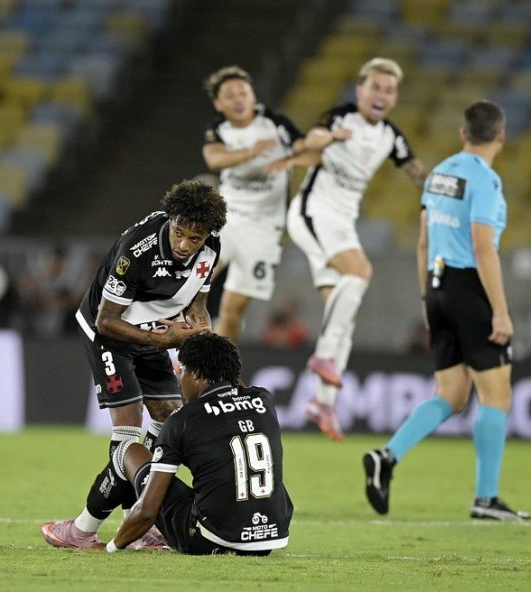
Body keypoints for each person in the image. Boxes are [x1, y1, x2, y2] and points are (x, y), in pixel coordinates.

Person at [363, 100, 531, 521]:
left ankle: (387, 455)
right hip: (469, 288)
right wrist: (501, 311)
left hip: (437, 287)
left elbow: (422, 244)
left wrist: (427, 299)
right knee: (497, 394)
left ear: (462, 134)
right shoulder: (486, 182)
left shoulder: (438, 175)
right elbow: (482, 248)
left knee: (452, 395)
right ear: (500, 136)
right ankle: (486, 499)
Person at [41, 179, 227, 550]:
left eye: (195, 238)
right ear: (170, 220)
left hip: (155, 333)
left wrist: (198, 335)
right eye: (179, 233)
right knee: (128, 434)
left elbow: (198, 306)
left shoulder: (211, 247)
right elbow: (106, 320)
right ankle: (96, 527)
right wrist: (163, 341)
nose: (184, 245)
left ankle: (137, 520)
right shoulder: (136, 252)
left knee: (169, 419)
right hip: (109, 336)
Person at [276, 57, 428, 441]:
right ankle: (324, 356)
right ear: (360, 90)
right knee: (360, 272)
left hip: (341, 223)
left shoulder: (391, 136)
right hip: (314, 212)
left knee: (346, 314)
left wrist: (439, 190)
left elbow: (414, 170)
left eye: (389, 90)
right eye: (375, 87)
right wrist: (330, 138)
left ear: (394, 98)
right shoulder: (341, 117)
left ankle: (322, 402)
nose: (381, 95)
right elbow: (309, 141)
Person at [99, 333, 292, 555]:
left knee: (131, 452)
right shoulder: (264, 400)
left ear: (197, 375)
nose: (179, 378)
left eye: (182, 370)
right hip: (269, 539)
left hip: (210, 541)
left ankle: (82, 529)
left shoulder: (183, 419)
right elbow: (238, 386)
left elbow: (147, 512)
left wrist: (110, 548)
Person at [202, 65, 305, 343]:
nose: (238, 99)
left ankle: (217, 367)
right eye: (230, 94)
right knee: (192, 283)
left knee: (233, 309)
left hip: (263, 229)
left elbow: (305, 150)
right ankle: (168, 351)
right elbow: (214, 159)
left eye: (243, 92)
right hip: (228, 218)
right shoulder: (219, 130)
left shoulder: (277, 125)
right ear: (219, 103)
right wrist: (252, 152)